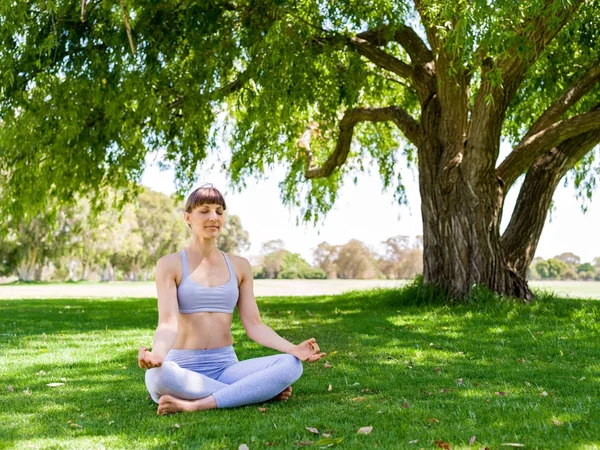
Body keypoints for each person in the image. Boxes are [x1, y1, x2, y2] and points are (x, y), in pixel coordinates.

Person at [138, 185, 326, 415]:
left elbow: (254, 325)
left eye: (219, 211)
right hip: (183, 368)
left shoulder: (239, 266)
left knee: (290, 365)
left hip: (226, 366)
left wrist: (293, 348)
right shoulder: (170, 264)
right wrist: (158, 354)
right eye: (204, 211)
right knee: (157, 376)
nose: (213, 217)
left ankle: (196, 404)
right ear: (188, 217)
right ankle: (253, 392)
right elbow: (168, 323)